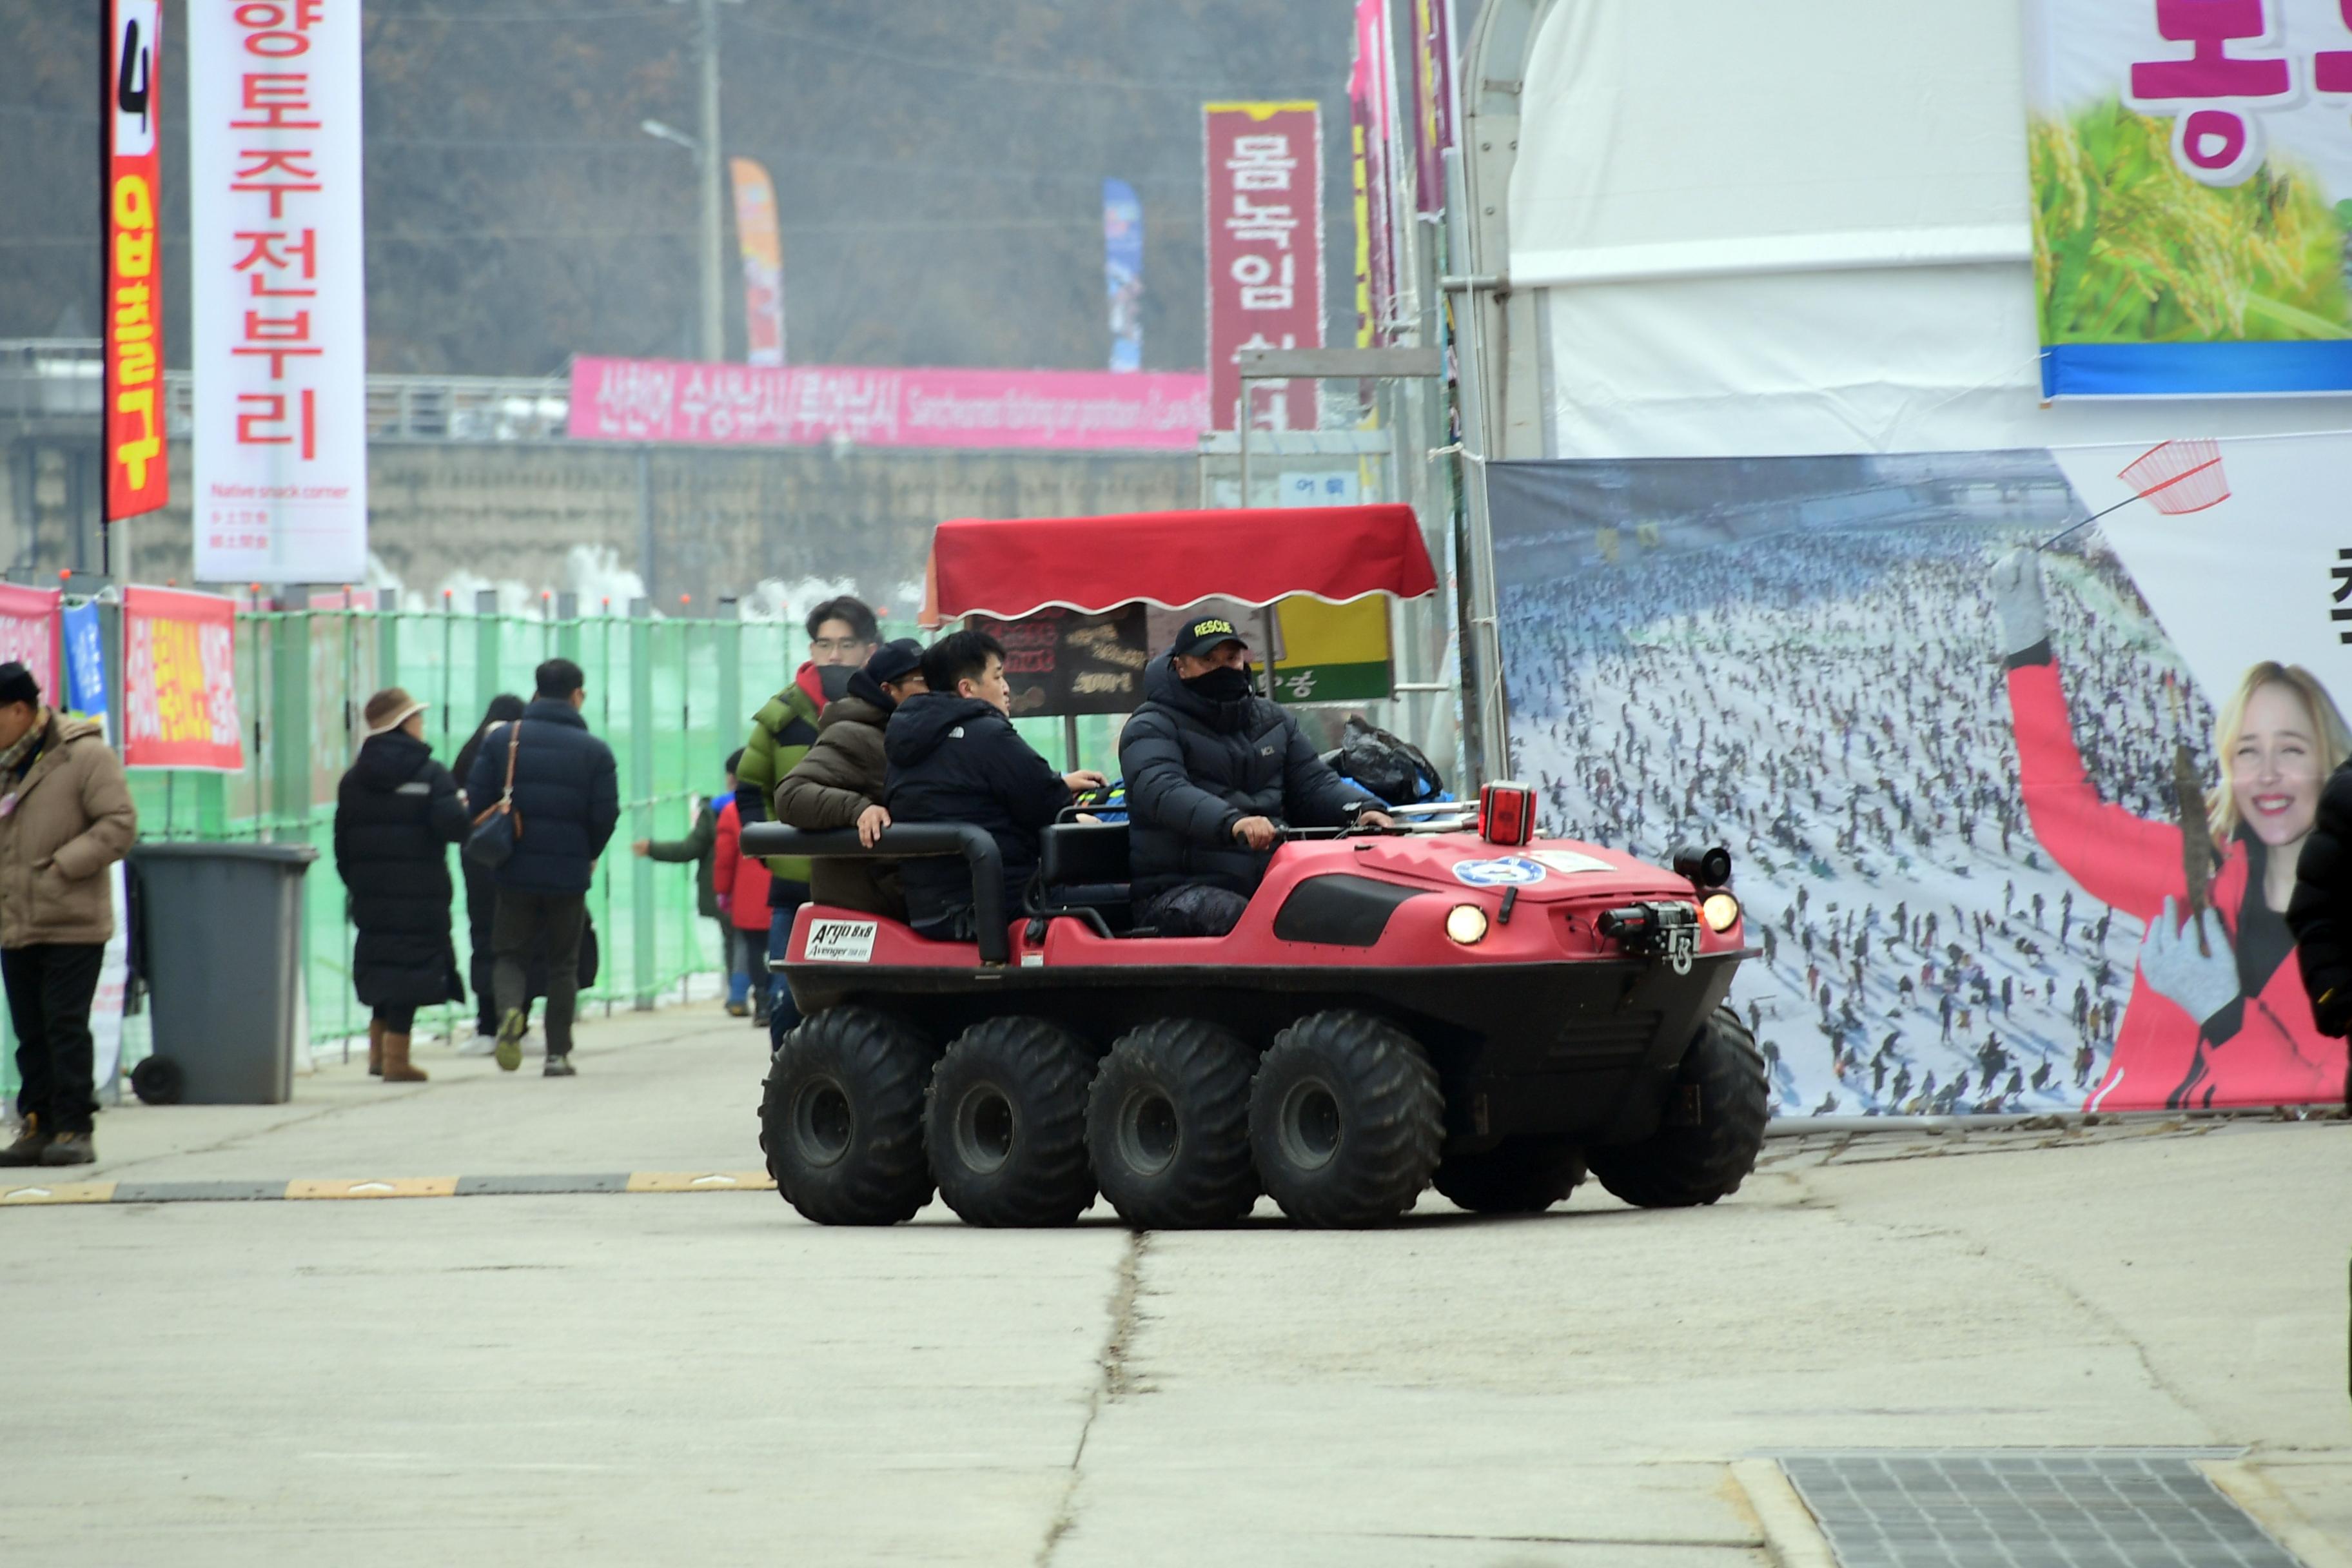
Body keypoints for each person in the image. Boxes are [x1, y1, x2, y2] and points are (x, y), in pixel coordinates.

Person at [1992, 547, 2350, 1109]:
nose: (2269, 775)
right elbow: (2067, 819)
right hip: (2128, 1152)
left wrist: (2225, 1015)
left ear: (2331, 762)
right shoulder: (2195, 871)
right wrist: (2028, 650)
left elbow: (2331, 1086)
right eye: (2248, 752)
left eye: (2292, 750)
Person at [1119, 616, 1391, 936]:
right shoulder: (1150, 726)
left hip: (1272, 878)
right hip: (1176, 890)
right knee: (1253, 923)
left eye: (1231, 658)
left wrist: (1364, 810)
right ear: (1181, 667)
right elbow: (1163, 790)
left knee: (1356, 912)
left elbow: (1314, 783)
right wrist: (1233, 822)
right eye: (1209, 660)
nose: (1223, 668)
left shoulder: (1275, 720)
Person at [0, 662, 136, 1167]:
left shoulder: (84, 755)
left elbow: (119, 823)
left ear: (19, 710)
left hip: (72, 919)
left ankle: (74, 1128)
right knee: (30, 1031)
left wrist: (61, 868)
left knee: (64, 1026)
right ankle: (36, 1125)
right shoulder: (4, 762)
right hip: (15, 921)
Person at [884, 630, 1104, 940]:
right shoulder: (988, 735)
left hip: (928, 911)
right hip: (999, 906)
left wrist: (1060, 786)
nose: (1006, 688)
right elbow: (1046, 804)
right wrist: (1079, 816)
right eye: (998, 676)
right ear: (967, 688)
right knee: (1127, 898)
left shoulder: (905, 742)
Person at [466, 658, 619, 1077]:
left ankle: (511, 1013)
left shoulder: (502, 741)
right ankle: (557, 1054)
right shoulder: (596, 751)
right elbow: (606, 815)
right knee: (562, 964)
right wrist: (589, 852)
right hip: (569, 874)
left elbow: (477, 802)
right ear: (577, 695)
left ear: (535, 693)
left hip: (513, 869)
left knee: (510, 954)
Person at [736, 596, 878, 1030]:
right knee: (786, 1004)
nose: (834, 655)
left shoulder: (891, 711)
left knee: (866, 1002)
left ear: (870, 651)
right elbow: (749, 789)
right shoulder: (782, 717)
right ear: (811, 650)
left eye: (846, 644)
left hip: (867, 887)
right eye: (824, 644)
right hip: (794, 890)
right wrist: (771, 852)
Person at [334, 688, 469, 1084]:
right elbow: (455, 827)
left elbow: (342, 842)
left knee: (382, 964)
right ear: (404, 723)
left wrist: (358, 882)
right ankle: (397, 1058)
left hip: (371, 892)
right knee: (410, 969)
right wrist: (463, 809)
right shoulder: (430, 773)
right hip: (420, 890)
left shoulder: (354, 779)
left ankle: (377, 1053)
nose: (421, 725)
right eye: (417, 718)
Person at [776, 638, 927, 921]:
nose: (936, 688)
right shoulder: (854, 734)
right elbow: (792, 794)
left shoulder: (913, 736)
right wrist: (858, 809)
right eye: (923, 680)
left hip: (899, 909)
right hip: (865, 921)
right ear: (889, 689)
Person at [451, 692, 525, 1050]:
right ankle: (518, 1018)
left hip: (478, 857)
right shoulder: (523, 749)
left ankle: (485, 1025)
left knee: (483, 937)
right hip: (519, 856)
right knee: (521, 939)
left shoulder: (470, 752)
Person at [633, 758, 727, 1003]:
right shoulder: (768, 803)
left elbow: (689, 849)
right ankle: (757, 994)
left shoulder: (714, 812)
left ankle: (739, 994)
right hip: (761, 889)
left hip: (724, 889)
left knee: (736, 941)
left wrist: (652, 849)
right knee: (755, 943)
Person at [709, 751, 776, 1021]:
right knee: (781, 949)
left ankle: (760, 1001)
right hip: (781, 890)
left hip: (749, 896)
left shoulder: (730, 811)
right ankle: (776, 1000)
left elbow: (724, 859)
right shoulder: (784, 802)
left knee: (754, 950)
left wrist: (723, 891)